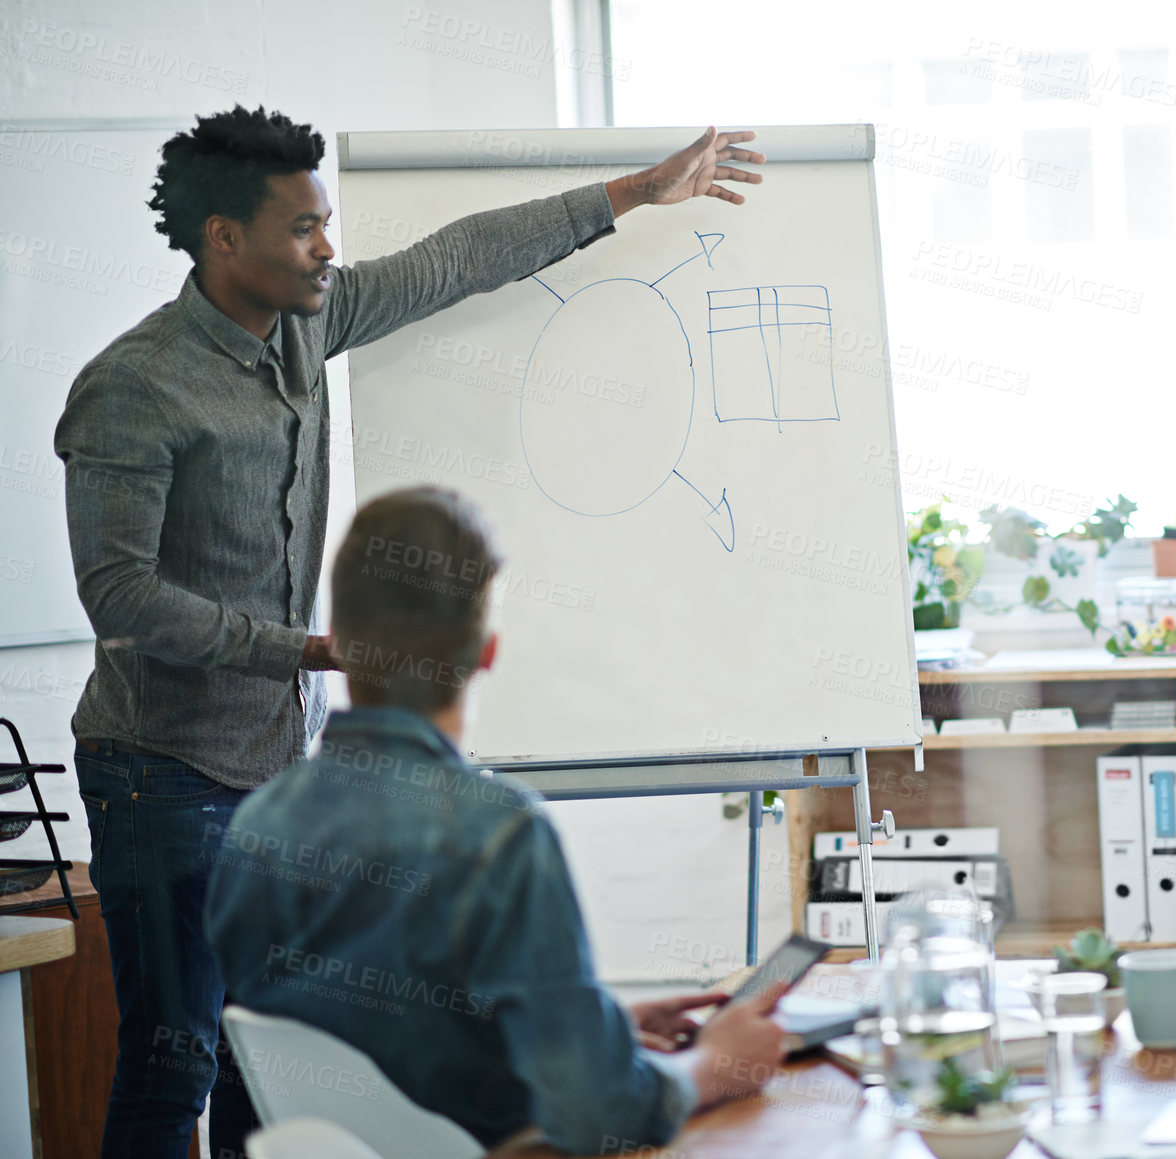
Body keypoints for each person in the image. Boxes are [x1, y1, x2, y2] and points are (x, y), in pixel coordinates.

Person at [55, 104, 765, 1159]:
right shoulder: (132, 387)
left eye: (327, 223)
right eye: (304, 229)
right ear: (225, 238)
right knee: (177, 1060)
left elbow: (458, 260)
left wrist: (633, 192)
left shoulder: (309, 320)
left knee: (272, 1066)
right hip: (161, 769)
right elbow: (119, 597)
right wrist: (306, 649)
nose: (328, 248)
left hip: (273, 767)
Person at [206, 486, 788, 1154]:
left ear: (338, 644)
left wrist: (590, 1028)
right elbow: (598, 1114)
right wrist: (715, 1064)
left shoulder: (256, 824)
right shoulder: (499, 834)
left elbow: (388, 1050)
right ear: (487, 652)